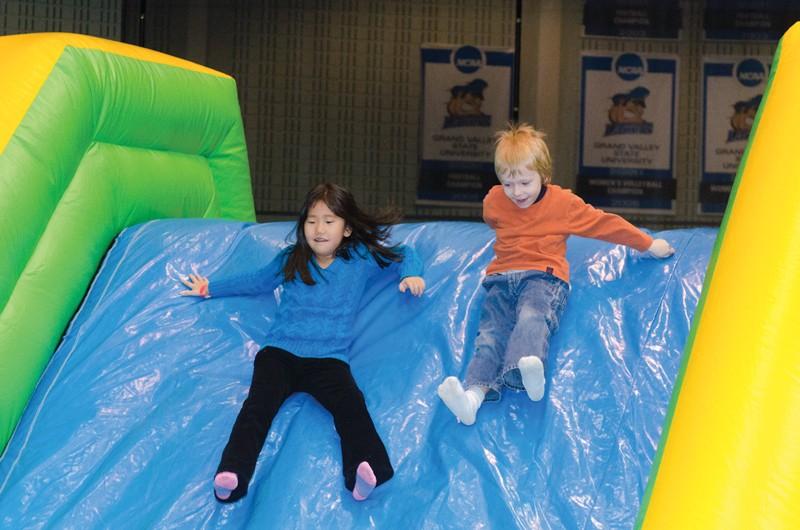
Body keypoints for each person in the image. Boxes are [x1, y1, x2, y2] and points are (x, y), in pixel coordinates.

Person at [180, 183, 425, 502]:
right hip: (280, 354)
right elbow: (257, 281)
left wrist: (411, 274)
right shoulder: (292, 258)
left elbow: (405, 253)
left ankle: (366, 470)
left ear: (347, 228)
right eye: (311, 221)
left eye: (329, 220)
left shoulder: (361, 258)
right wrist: (210, 287)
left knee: (351, 407)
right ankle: (233, 475)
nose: (319, 229)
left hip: (329, 360)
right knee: (256, 409)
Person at [437, 123, 674, 425]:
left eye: (525, 182)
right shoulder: (493, 202)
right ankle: (472, 398)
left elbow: (604, 224)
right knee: (489, 336)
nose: (516, 192)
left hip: (543, 276)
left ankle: (529, 373)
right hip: (500, 278)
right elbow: (496, 221)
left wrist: (648, 244)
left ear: (544, 176)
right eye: (508, 184)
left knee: (532, 317)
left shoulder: (563, 204)